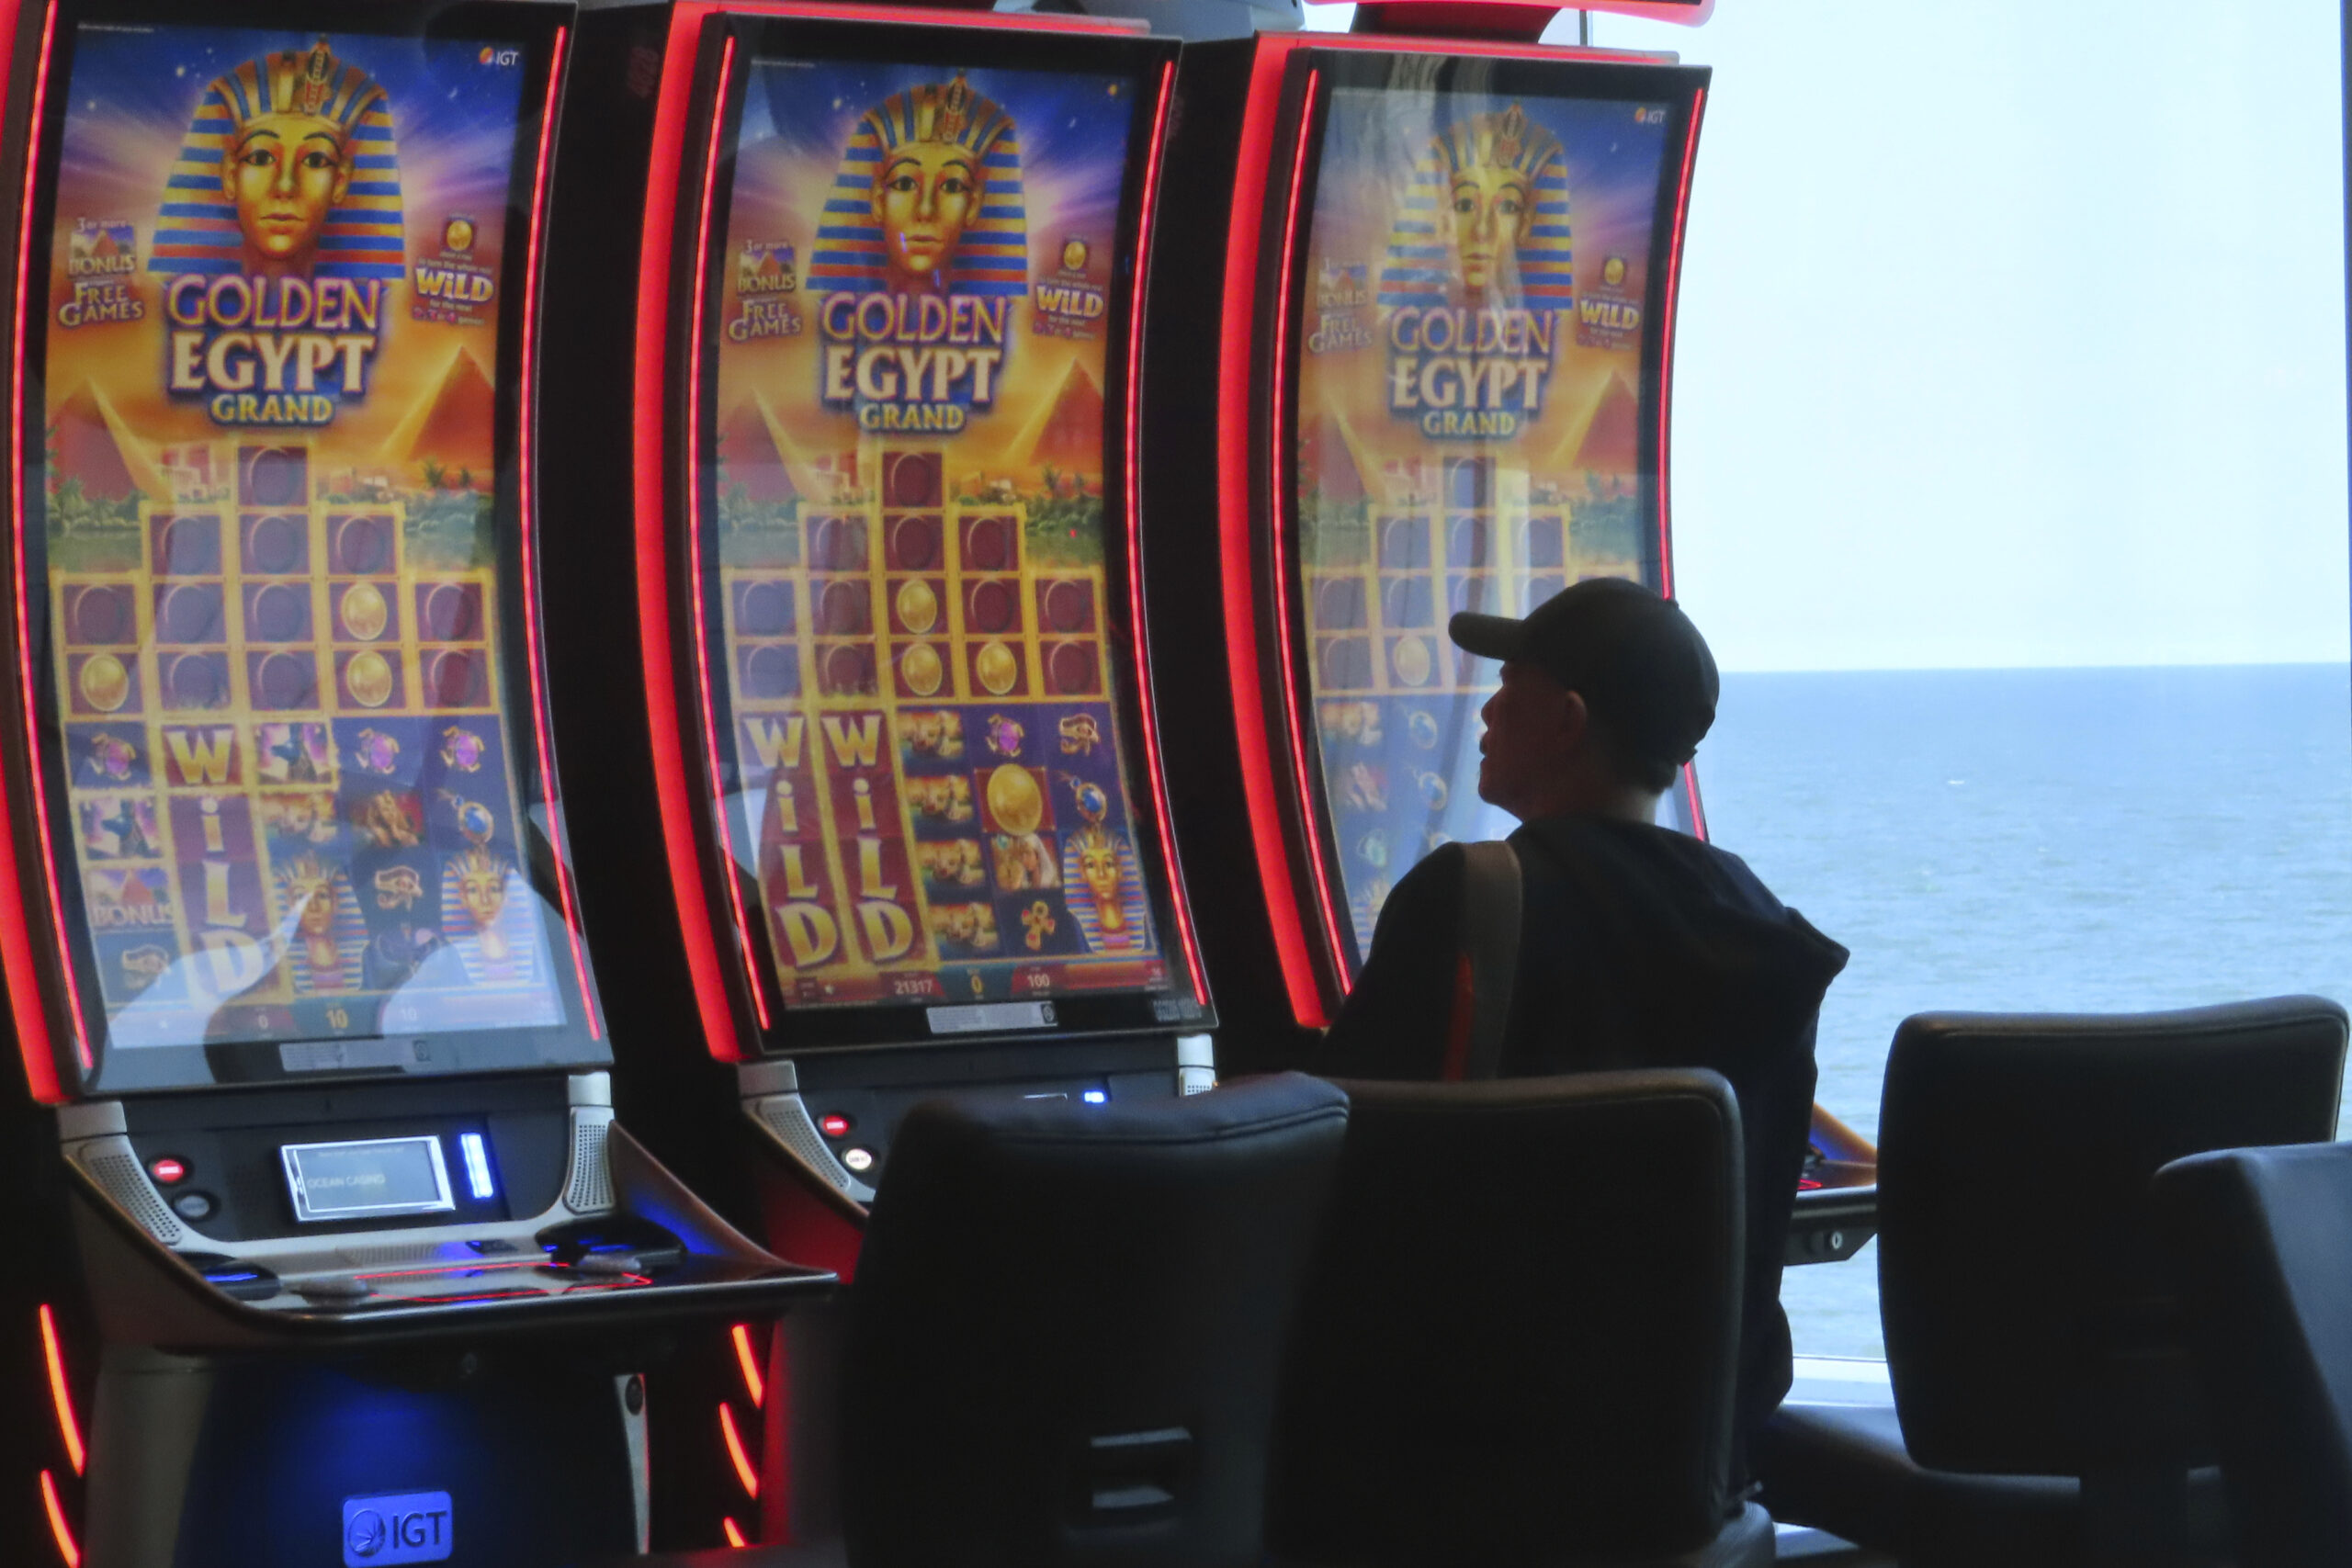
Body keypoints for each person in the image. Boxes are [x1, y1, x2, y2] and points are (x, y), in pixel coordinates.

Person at [1313, 575, 1849, 1476]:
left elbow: (1329, 1146)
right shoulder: (1760, 923)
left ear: (1564, 720)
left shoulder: (1470, 899)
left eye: (1508, 687)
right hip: (1695, 1452)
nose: (1484, 712)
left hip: (1470, 1450)